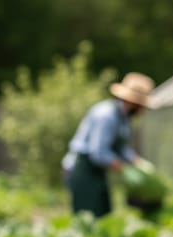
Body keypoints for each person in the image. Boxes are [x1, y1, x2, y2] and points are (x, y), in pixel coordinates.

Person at [63, 72, 154, 218]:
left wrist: (137, 162)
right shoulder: (106, 116)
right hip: (83, 170)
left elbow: (120, 148)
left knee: (103, 214)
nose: (142, 110)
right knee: (87, 218)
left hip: (97, 173)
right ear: (133, 103)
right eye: (141, 105)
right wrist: (124, 169)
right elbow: (98, 152)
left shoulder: (123, 119)